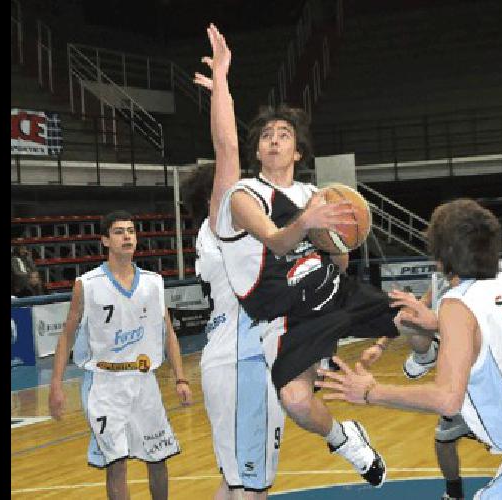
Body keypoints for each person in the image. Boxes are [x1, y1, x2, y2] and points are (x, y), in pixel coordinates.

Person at [316, 199, 502, 499]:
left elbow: (447, 400)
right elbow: (493, 329)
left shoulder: (458, 304)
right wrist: (436, 323)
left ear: (441, 257)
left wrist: (370, 392)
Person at [211, 76, 399, 486]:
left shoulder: (319, 193)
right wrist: (309, 222)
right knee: (296, 401)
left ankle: (431, 366)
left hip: (333, 292)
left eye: (283, 135)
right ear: (257, 149)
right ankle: (345, 439)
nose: (273, 140)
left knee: (417, 318)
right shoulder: (243, 195)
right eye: (266, 136)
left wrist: (339, 238)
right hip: (288, 317)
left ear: (297, 150)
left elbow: (341, 260)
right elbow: (278, 243)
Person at [186, 24, 286, 500]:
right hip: (242, 362)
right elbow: (227, 148)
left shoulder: (218, 233)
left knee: (234, 484)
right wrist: (222, 81)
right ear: (217, 196)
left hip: (228, 358)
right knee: (255, 490)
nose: (240, 181)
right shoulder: (226, 218)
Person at [47, 210, 194, 500]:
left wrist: (181, 378)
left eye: (131, 231)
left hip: (144, 382)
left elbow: (168, 333)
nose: (127, 236)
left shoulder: (153, 283)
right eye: (118, 231)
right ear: (104, 240)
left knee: (157, 458)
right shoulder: (87, 285)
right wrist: (56, 385)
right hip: (104, 383)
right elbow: (66, 334)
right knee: (116, 463)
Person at [384, 274, 478, 500]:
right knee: (444, 440)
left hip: (478, 374)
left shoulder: (476, 288)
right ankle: (454, 493)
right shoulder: (440, 280)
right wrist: (380, 345)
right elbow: (418, 308)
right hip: (456, 372)